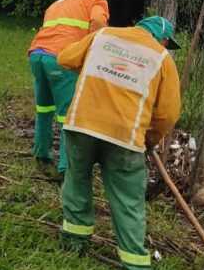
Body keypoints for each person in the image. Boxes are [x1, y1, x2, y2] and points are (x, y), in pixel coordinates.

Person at [56, 16, 182, 270]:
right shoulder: (162, 58)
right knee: (128, 199)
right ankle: (134, 261)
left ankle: (74, 241)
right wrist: (151, 138)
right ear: (165, 39)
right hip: (124, 136)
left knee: (77, 179)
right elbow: (168, 113)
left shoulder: (103, 36)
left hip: (82, 124)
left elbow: (65, 58)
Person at [27, 0, 109, 175]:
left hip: (37, 55)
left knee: (44, 108)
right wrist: (93, 47)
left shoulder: (58, 3)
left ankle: (41, 155)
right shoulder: (96, 1)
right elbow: (98, 21)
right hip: (62, 59)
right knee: (67, 114)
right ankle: (65, 167)